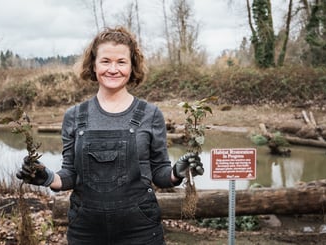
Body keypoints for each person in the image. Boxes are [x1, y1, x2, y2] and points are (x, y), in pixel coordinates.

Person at [16, 26, 204, 245]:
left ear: (132, 66)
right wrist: (47, 177)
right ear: (93, 65)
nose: (113, 69)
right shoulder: (74, 116)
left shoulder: (151, 114)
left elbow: (159, 173)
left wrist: (176, 172)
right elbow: (70, 174)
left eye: (121, 62)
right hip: (86, 230)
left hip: (140, 229)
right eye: (106, 61)